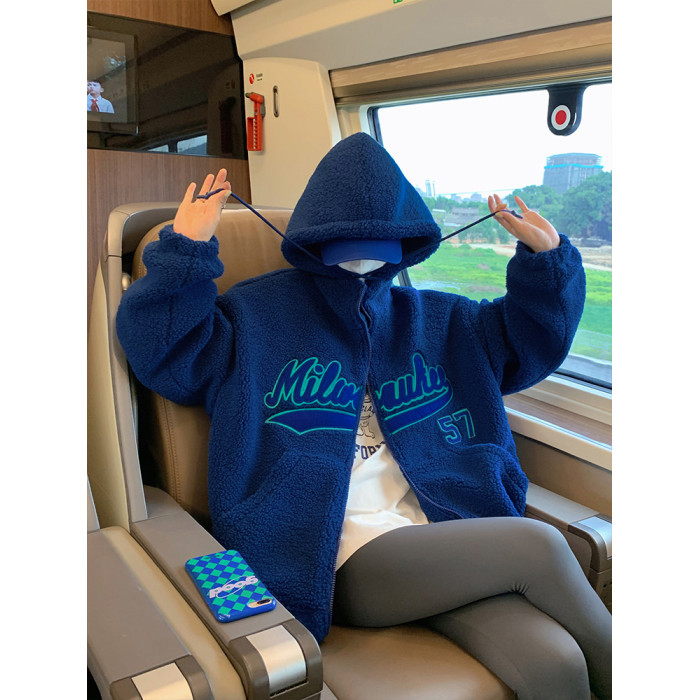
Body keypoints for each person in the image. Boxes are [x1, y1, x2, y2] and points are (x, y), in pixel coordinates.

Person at [116, 133, 612, 699]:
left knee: (555, 661)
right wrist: (187, 250)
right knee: (539, 545)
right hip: (330, 556)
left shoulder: (441, 321)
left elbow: (529, 343)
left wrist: (547, 263)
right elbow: (165, 351)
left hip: (446, 539)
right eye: (342, 244)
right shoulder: (253, 317)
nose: (359, 257)